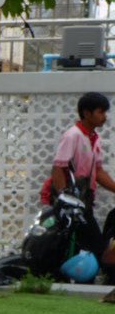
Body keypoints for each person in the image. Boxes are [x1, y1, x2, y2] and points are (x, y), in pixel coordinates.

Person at [43, 91, 115, 278]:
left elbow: (98, 172)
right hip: (71, 201)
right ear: (87, 113)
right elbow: (59, 167)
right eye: (100, 112)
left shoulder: (94, 139)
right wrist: (63, 198)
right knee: (95, 243)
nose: (104, 117)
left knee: (82, 243)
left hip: (84, 199)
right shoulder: (72, 135)